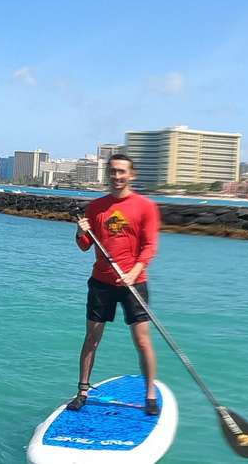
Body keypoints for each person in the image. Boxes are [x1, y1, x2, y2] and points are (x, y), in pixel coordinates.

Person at [69, 153, 161, 416]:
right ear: (107, 174)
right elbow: (85, 247)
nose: (117, 176)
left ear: (131, 175)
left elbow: (149, 245)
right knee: (92, 338)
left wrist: (135, 270)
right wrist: (80, 232)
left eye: (122, 172)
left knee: (142, 341)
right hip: (101, 282)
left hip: (135, 282)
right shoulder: (96, 207)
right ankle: (83, 391)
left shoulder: (145, 207)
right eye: (112, 172)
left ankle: (150, 393)